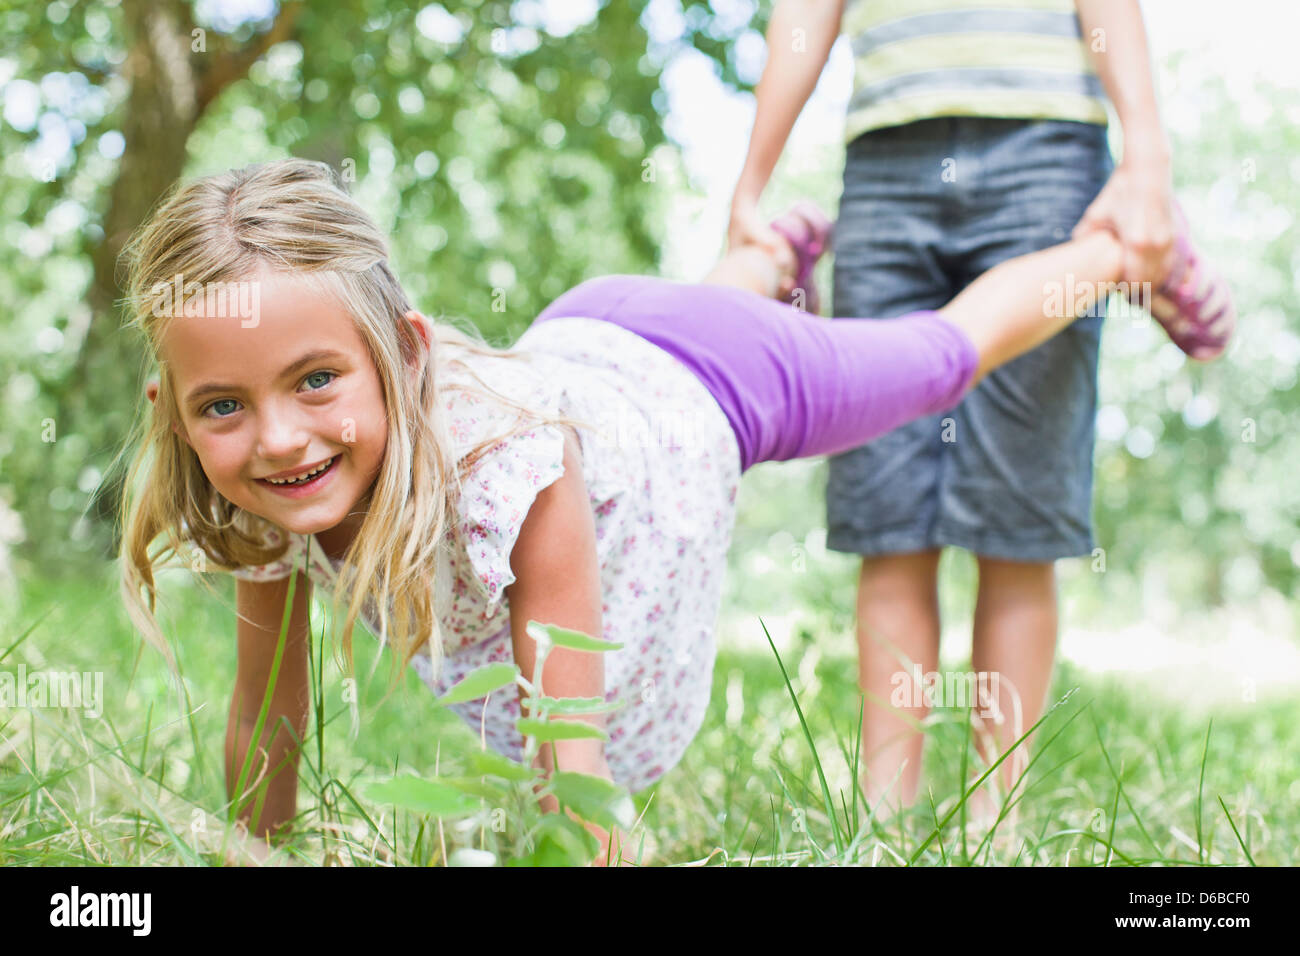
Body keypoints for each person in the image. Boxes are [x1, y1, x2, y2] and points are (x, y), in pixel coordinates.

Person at [116, 158, 1224, 865]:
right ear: (175, 408)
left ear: (402, 353)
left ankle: (1117, 247)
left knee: (937, 363)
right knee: (674, 369)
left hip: (713, 379)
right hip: (597, 342)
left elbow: (575, 768)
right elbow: (267, 722)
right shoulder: (259, 494)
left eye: (316, 379)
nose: (278, 437)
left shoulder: (513, 466)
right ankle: (754, 263)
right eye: (225, 404)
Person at [728, 0, 1235, 822]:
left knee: (1018, 512)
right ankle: (882, 823)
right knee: (886, 511)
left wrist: (1147, 158)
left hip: (1047, 148)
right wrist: (748, 185)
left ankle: (998, 823)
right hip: (885, 166)